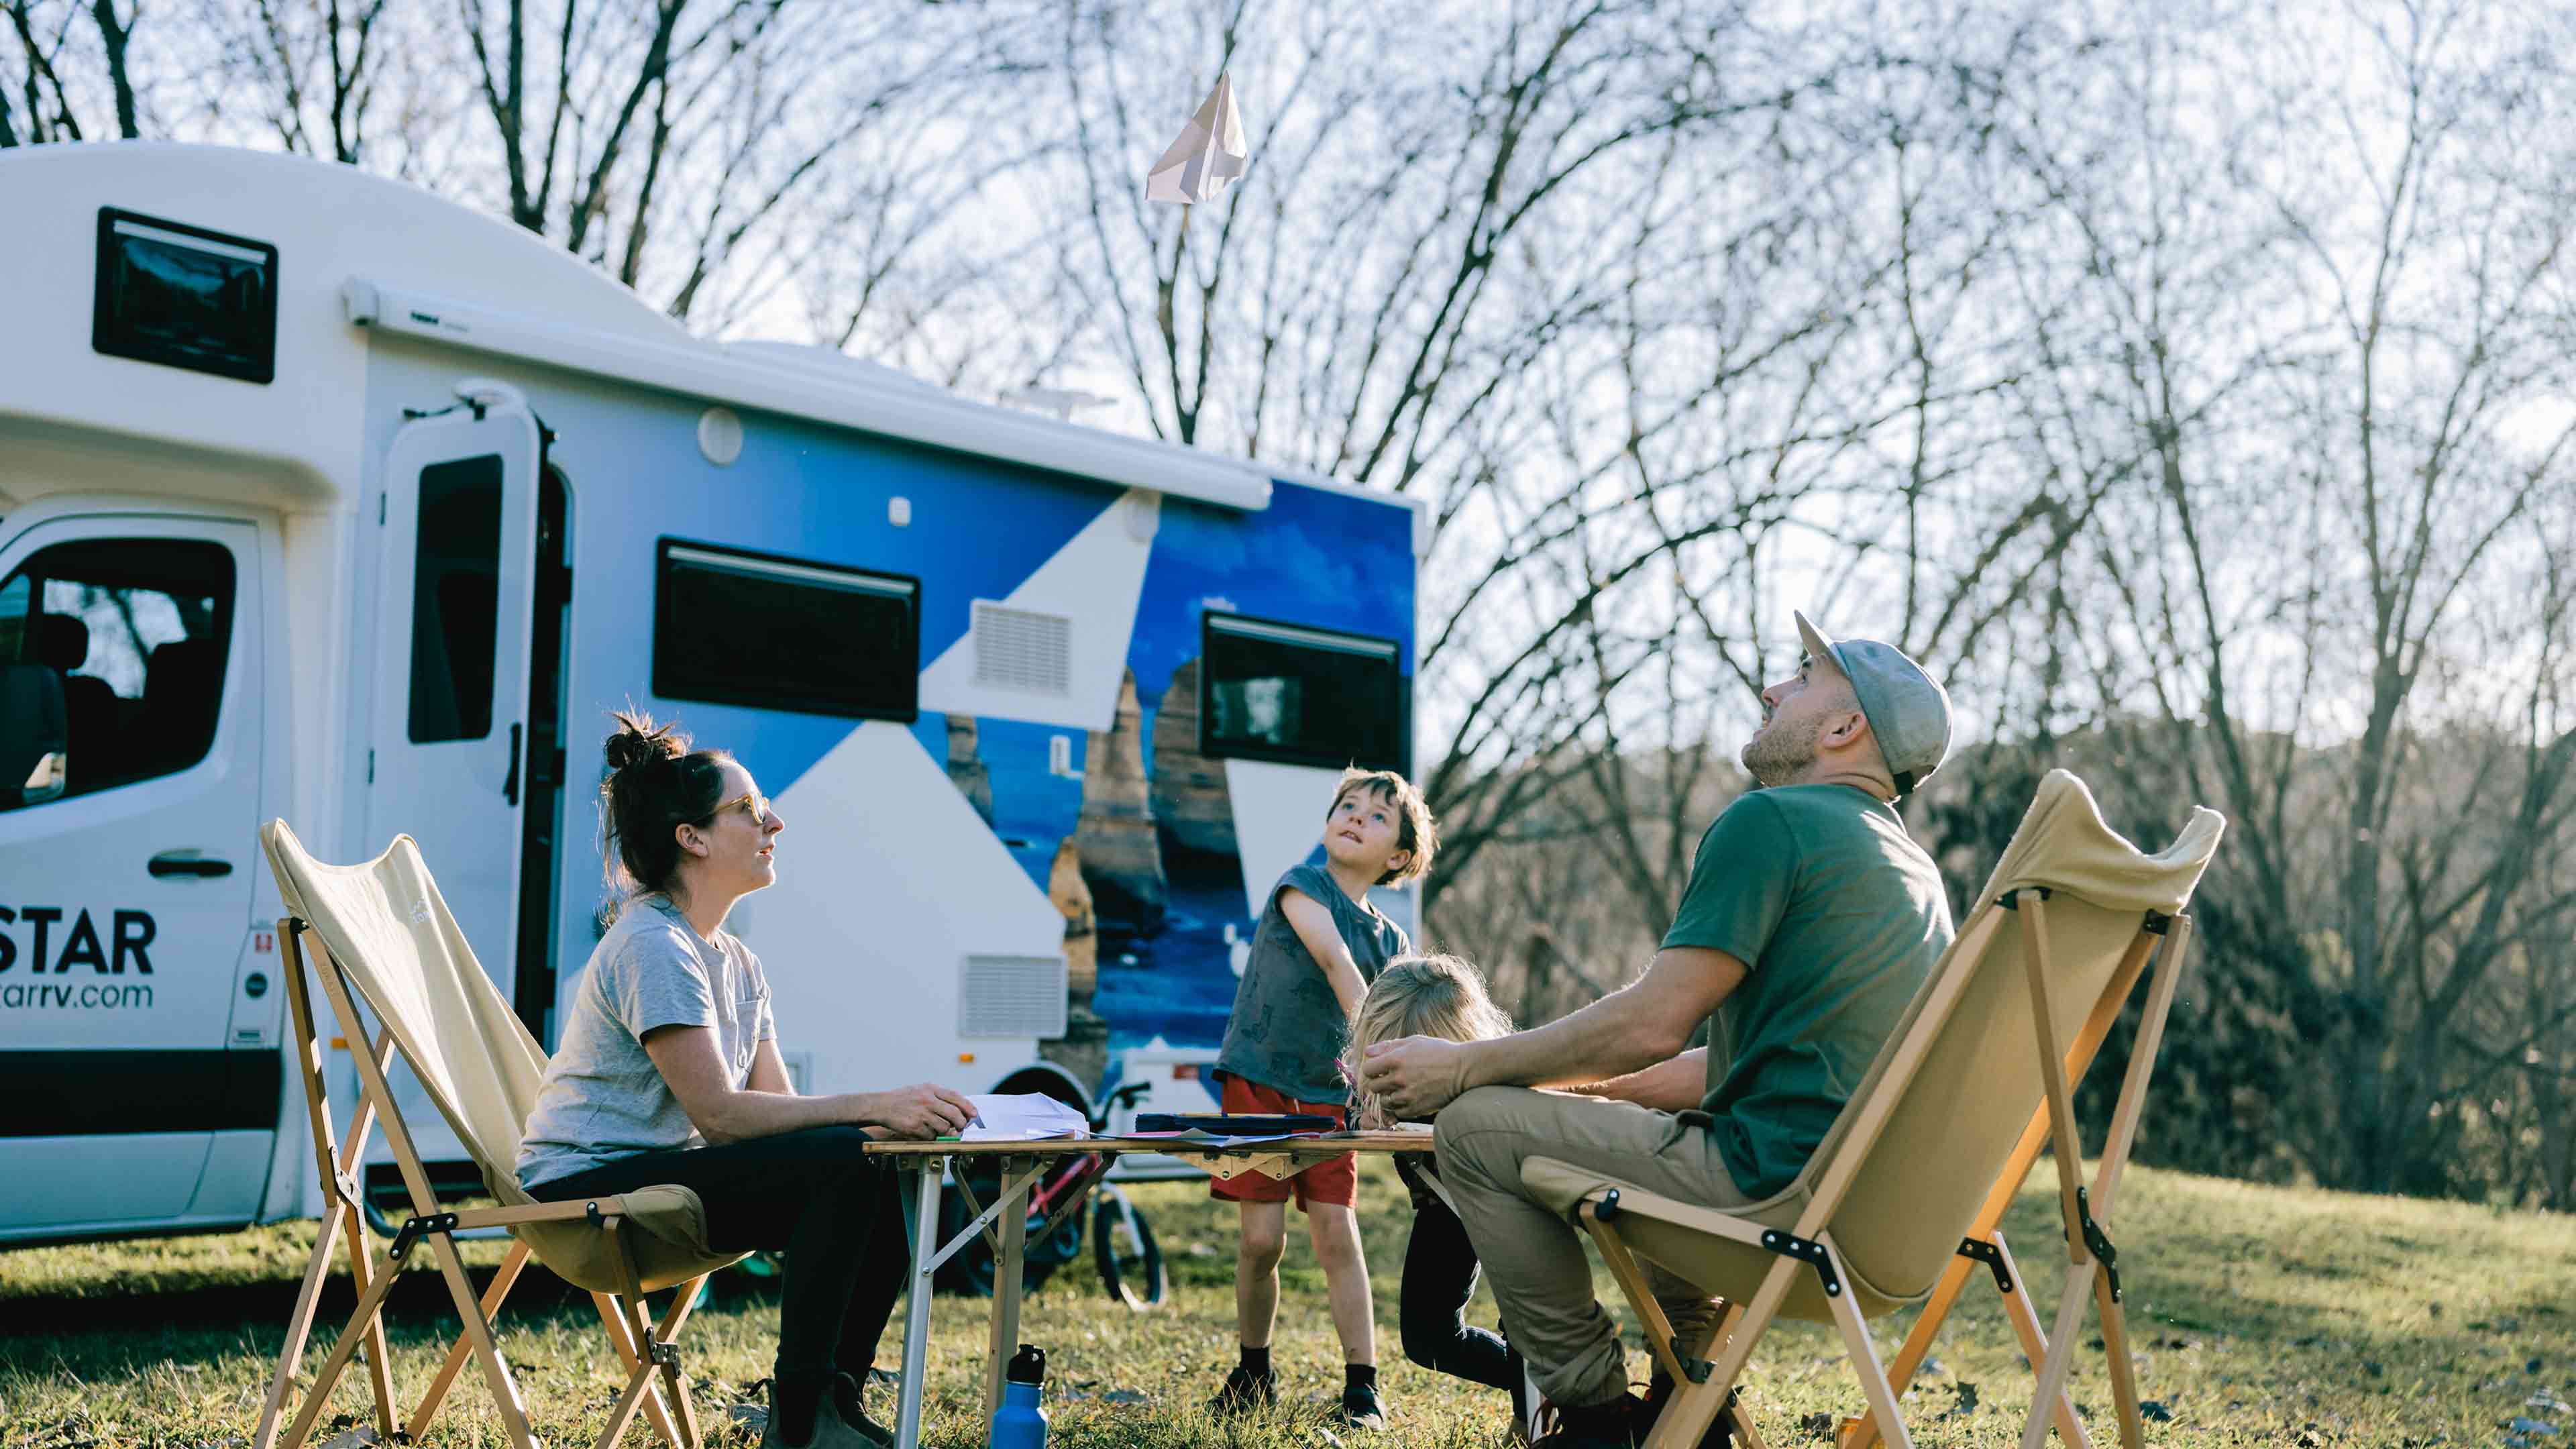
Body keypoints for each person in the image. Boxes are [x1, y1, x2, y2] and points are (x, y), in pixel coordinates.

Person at [1362, 611, 1958, 1449]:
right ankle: (1689, 1403)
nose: (1772, 688)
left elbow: (1653, 1022)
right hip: (1870, 1223)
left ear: (1842, 725)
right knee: (1647, 1126)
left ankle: (1592, 1418)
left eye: (1801, 677)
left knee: (1469, 1131)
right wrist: (1592, 1091)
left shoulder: (1774, 822)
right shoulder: (1905, 867)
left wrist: (1466, 1071)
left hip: (1770, 1197)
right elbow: (1749, 1059)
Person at [515, 712, 980, 1449]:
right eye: (749, 808)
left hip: (655, 1182)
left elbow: (785, 1121)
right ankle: (799, 1423)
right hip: (583, 1196)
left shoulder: (736, 961)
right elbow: (724, 1116)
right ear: (691, 838)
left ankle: (831, 1399)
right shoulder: (652, 944)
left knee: (873, 1163)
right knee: (844, 1159)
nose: (775, 822)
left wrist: (881, 1123)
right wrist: (872, 1105)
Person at [1206, 767, 1438, 1432]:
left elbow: (1401, 1020)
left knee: (1337, 1234)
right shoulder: (1299, 886)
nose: (1355, 816)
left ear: (1398, 857)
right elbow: (1336, 965)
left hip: (1328, 1101)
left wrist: (1386, 1088)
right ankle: (1253, 1370)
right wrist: (1371, 1060)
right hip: (1259, 1081)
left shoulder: (1393, 943)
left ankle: (1362, 1385)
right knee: (1261, 1241)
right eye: (1348, 805)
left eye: (1376, 815)